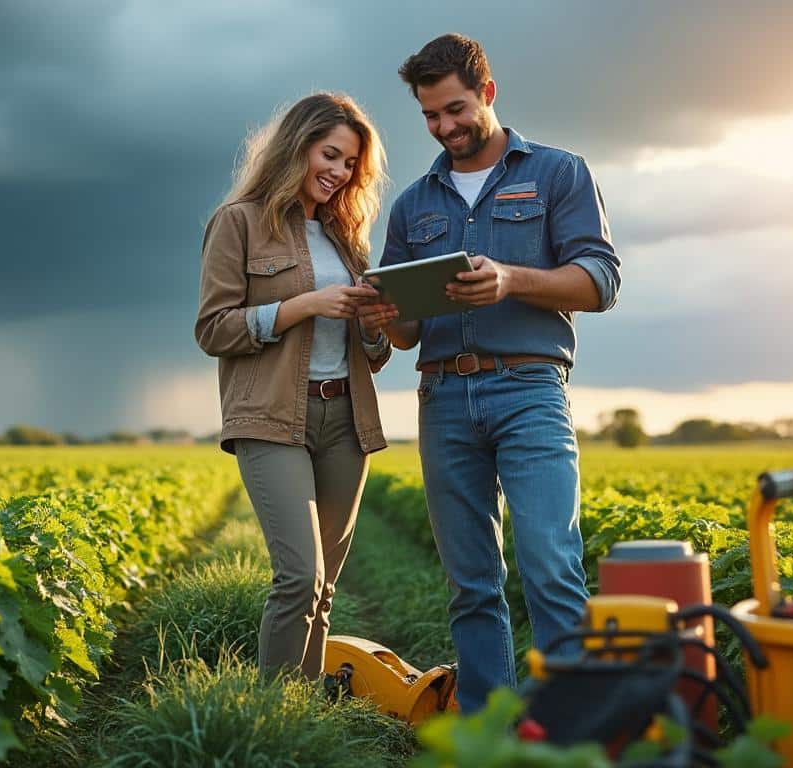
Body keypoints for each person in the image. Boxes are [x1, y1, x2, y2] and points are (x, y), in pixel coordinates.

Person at [357, 33, 622, 711]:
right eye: (430, 116)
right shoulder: (414, 205)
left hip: (530, 390)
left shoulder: (560, 173)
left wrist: (510, 279)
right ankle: (487, 729)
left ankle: (573, 728)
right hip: (442, 396)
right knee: (471, 582)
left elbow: (599, 280)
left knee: (550, 564)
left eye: (455, 109)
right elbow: (408, 332)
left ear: (488, 94)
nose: (445, 127)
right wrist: (385, 310)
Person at [195, 92, 394, 679]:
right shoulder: (238, 223)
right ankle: (271, 718)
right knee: (298, 576)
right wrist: (302, 305)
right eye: (329, 155)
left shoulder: (345, 238)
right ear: (297, 146)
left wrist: (373, 326)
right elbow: (212, 328)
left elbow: (373, 356)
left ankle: (302, 721)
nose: (338, 172)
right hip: (272, 416)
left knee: (325, 587)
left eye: (350, 164)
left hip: (346, 420)